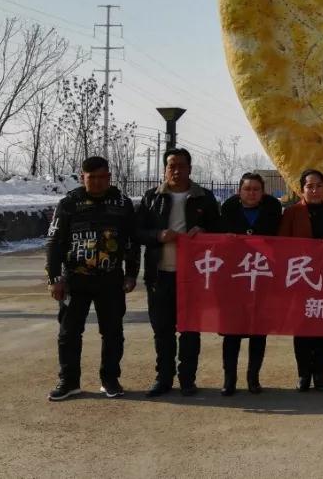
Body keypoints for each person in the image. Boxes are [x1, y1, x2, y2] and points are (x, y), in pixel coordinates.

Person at [45, 156, 138, 401]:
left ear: (109, 177)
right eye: (91, 177)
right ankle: (69, 381)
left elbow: (132, 242)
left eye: (101, 177)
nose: (96, 182)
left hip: (111, 279)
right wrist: (54, 278)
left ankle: (110, 379)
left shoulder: (123, 204)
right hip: (75, 279)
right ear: (82, 177)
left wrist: (131, 274)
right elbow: (54, 243)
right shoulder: (68, 204)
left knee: (113, 332)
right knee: (69, 333)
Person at [137, 148, 220, 397]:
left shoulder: (204, 198)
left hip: (193, 276)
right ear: (165, 169)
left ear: (190, 169)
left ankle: (187, 379)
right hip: (160, 274)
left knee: (190, 330)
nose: (176, 170)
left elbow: (220, 231)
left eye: (181, 166)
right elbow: (137, 232)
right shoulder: (152, 197)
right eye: (171, 166)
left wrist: (204, 233)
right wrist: (157, 235)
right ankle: (163, 378)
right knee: (162, 330)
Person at [279, 168, 323, 392]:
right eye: (310, 186)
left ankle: (320, 373)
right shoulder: (292, 213)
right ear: (302, 190)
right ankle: (303, 374)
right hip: (301, 277)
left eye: (319, 186)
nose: (315, 190)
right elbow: (282, 243)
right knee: (302, 328)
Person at [217, 172, 283, 396]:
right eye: (247, 189)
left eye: (256, 189)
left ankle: (253, 378)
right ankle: (229, 379)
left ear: (262, 192)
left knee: (258, 330)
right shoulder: (227, 210)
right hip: (234, 279)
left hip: (263, 277)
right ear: (239, 191)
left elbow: (281, 240)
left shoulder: (273, 209)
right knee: (231, 331)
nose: (252, 193)